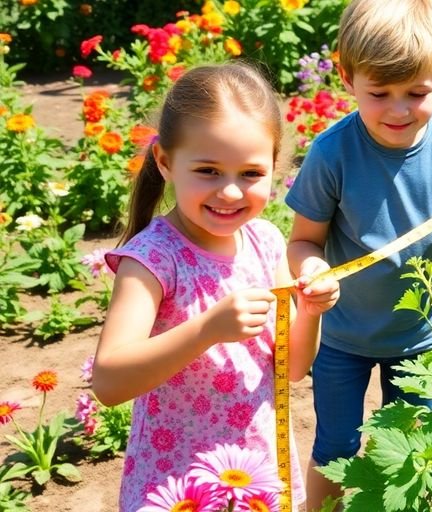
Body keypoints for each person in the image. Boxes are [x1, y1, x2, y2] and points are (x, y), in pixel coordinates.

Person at [284, 0, 432, 506]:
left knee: (411, 451)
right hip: (340, 335)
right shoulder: (332, 151)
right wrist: (312, 267)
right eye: (378, 93)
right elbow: (302, 240)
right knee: (335, 448)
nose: (398, 109)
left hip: (423, 337)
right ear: (346, 76)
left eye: (417, 92)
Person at [91, 63, 340, 512]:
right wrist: (206, 329)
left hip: (256, 474)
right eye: (208, 170)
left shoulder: (266, 243)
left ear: (273, 166)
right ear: (165, 162)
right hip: (177, 486)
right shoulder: (153, 260)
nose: (229, 192)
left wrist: (311, 310)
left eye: (250, 174)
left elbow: (294, 367)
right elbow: (108, 381)